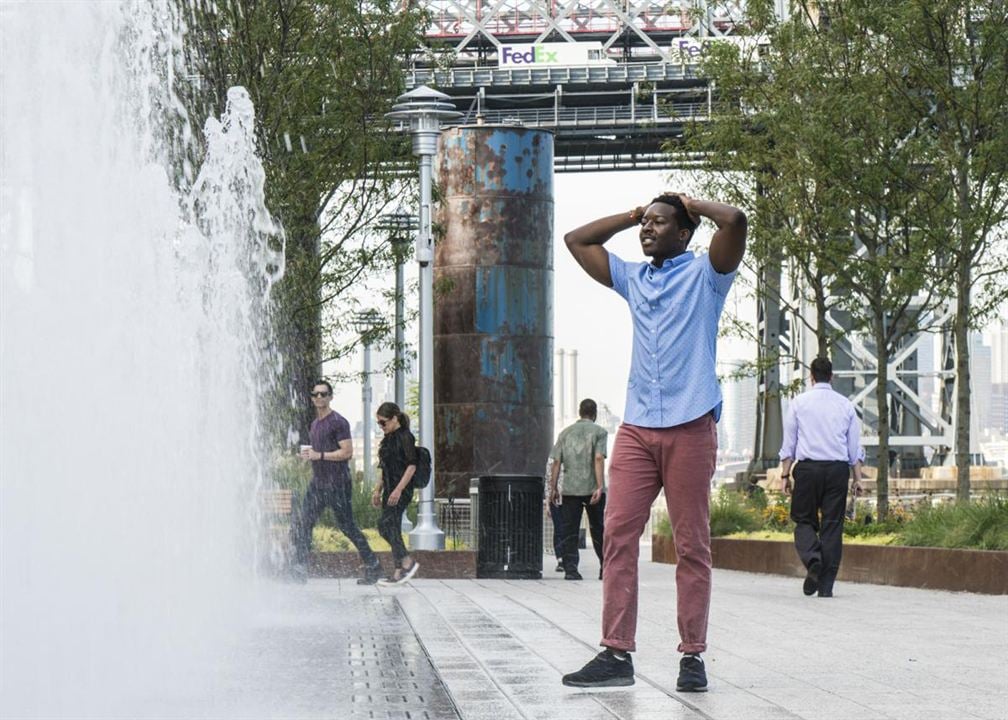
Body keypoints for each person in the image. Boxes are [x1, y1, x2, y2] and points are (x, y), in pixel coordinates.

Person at [560, 193, 746, 692]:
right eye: (646, 223)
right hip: (639, 429)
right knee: (617, 538)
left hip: (691, 424)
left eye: (659, 223)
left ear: (684, 234)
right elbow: (576, 240)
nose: (648, 229)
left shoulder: (708, 275)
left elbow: (736, 220)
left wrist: (693, 203)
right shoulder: (634, 279)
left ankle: (692, 658)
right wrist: (628, 215)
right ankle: (616, 653)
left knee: (691, 546)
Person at [779, 357, 863, 598]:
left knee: (803, 520)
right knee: (833, 526)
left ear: (811, 377)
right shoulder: (845, 405)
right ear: (832, 377)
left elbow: (789, 444)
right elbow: (853, 447)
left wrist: (785, 475)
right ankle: (826, 587)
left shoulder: (799, 403)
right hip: (837, 470)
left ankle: (813, 560)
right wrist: (857, 479)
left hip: (807, 470)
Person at [290, 380, 382, 584]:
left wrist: (319, 455)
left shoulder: (338, 422)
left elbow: (347, 452)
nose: (319, 398)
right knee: (303, 523)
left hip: (338, 484)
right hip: (318, 484)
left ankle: (374, 566)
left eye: (323, 394)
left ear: (330, 397)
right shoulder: (314, 424)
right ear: (312, 398)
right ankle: (299, 568)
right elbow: (317, 454)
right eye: (316, 394)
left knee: (347, 527)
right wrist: (307, 457)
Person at [549, 398, 607, 581]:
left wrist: (553, 488)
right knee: (598, 529)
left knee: (569, 530)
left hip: (570, 490)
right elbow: (598, 458)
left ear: (579, 412)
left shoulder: (565, 433)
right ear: (595, 413)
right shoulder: (600, 432)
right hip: (592, 489)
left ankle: (571, 570)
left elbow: (556, 461)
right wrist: (600, 486)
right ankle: (605, 568)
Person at [372, 402, 420, 585]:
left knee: (385, 525)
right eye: (378, 424)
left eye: (383, 423)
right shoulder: (388, 439)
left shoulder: (405, 437)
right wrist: (377, 490)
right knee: (392, 527)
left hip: (401, 490)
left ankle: (408, 561)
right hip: (390, 489)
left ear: (394, 419)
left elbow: (412, 465)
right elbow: (384, 469)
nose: (381, 427)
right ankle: (399, 571)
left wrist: (399, 490)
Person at [545, 458, 566, 573]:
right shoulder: (552, 460)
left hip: (570, 498)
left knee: (568, 529)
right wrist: (547, 503)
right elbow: (548, 481)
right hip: (556, 499)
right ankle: (560, 559)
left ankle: (567, 557)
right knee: (558, 529)